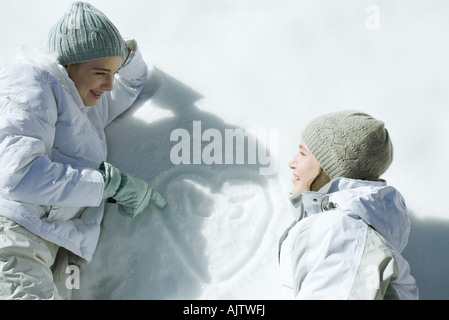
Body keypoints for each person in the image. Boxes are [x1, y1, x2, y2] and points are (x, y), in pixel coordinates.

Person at [0, 2, 166, 300]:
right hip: (15, 233)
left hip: (57, 243)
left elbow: (134, 82)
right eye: (102, 72)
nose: (110, 85)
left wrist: (120, 52)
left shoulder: (85, 102)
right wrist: (108, 185)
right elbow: (17, 175)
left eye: (114, 73)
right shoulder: (31, 81)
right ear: (68, 64)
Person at [278, 110, 419, 299]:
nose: (291, 162)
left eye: (303, 153)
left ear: (332, 168)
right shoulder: (345, 225)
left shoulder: (342, 230)